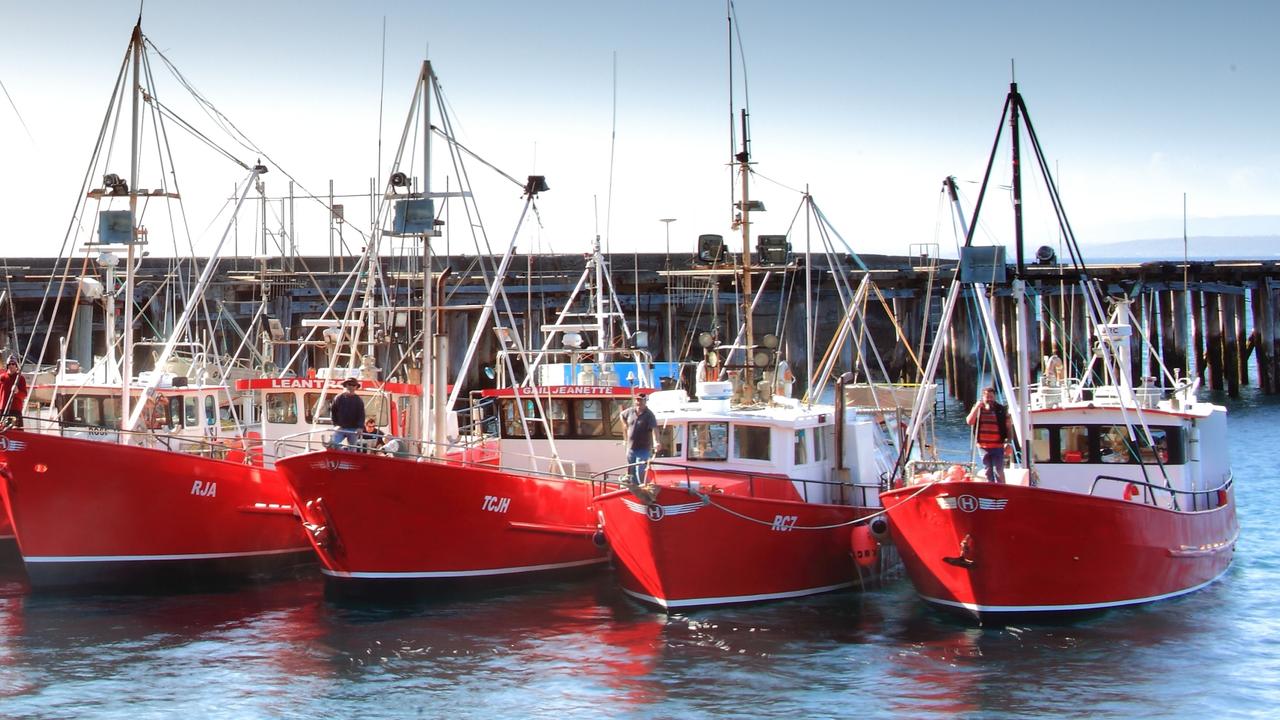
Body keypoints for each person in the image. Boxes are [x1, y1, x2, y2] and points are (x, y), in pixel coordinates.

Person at [966, 386, 1010, 483]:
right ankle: (992, 491)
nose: (989, 399)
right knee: (988, 471)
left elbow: (1008, 427)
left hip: (998, 446)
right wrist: (977, 407)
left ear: (994, 397)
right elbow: (969, 422)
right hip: (983, 447)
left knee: (999, 471)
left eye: (991, 396)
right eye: (987, 397)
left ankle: (1002, 490)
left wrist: (1008, 442)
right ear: (983, 397)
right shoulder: (978, 410)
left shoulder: (1001, 409)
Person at [619, 393, 658, 485]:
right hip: (631, 448)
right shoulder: (630, 411)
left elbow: (654, 429)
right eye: (637, 400)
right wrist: (625, 425)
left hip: (643, 449)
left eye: (640, 400)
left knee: (640, 470)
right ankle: (636, 491)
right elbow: (621, 415)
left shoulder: (649, 415)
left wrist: (656, 442)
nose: (638, 402)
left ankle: (646, 488)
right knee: (631, 472)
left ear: (645, 401)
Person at [329, 378, 366, 450]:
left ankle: (349, 458)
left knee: (353, 449)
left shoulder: (358, 400)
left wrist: (360, 427)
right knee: (332, 444)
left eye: (354, 385)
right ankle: (341, 453)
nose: (351, 386)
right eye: (349, 384)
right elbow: (333, 412)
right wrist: (335, 425)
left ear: (356, 387)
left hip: (354, 429)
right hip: (340, 428)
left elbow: (362, 415)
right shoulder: (338, 398)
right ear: (346, 385)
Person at [0, 356, 28, 428]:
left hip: (15, 410)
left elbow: (24, 395)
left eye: (13, 364)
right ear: (7, 365)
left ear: (16, 365)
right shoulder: (2, 378)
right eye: (9, 364)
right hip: (2, 410)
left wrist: (17, 392)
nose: (11, 365)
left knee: (18, 432)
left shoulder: (20, 378)